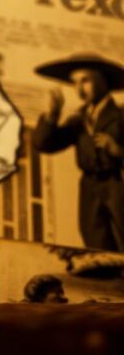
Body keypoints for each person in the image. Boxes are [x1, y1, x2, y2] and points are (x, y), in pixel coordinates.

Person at [33, 54, 124, 251]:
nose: (79, 89)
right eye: (74, 83)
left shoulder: (120, 116)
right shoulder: (78, 120)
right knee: (94, 238)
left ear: (102, 80)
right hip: (89, 187)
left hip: (117, 184)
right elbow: (44, 144)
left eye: (85, 81)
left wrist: (118, 152)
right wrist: (51, 116)